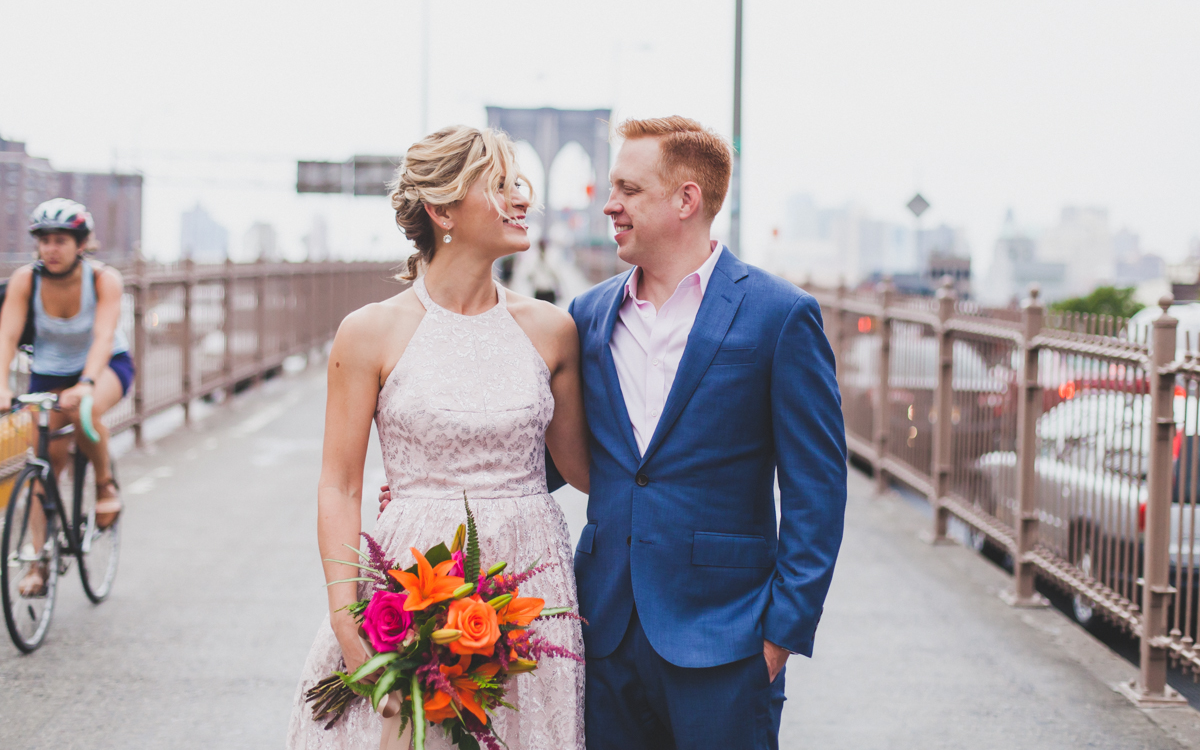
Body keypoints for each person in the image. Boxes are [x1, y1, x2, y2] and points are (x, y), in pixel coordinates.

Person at [287, 126, 590, 750]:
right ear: (442, 209)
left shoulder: (553, 331)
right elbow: (340, 486)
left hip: (530, 585)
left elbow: (591, 472)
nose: (521, 198)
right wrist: (349, 624)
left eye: (520, 184)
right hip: (408, 582)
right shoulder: (367, 333)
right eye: (500, 185)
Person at [567, 117, 846, 749]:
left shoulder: (780, 316)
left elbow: (817, 490)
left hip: (728, 640)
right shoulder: (586, 317)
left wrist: (778, 638)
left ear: (686, 200)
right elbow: (553, 454)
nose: (609, 204)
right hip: (604, 631)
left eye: (628, 190)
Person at [0, 198, 135, 596]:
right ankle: (38, 563)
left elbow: (103, 337)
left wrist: (87, 384)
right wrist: (2, 384)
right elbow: (7, 336)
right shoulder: (27, 279)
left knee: (86, 415)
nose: (51, 249)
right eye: (44, 241)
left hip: (105, 366)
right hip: (49, 372)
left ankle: (105, 485)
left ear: (81, 244)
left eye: (61, 240)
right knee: (42, 462)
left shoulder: (103, 280)